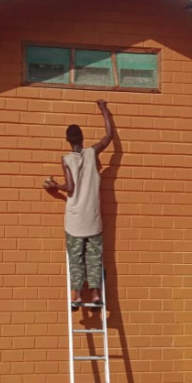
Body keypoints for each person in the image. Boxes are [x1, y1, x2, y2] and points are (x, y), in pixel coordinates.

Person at [44, 99, 114, 311]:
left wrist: (55, 186)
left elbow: (71, 188)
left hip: (75, 221)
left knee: (76, 259)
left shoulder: (66, 159)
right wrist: (104, 110)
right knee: (94, 259)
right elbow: (108, 137)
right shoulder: (93, 153)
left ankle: (76, 296)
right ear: (82, 139)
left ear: (67, 140)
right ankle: (95, 296)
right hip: (93, 219)